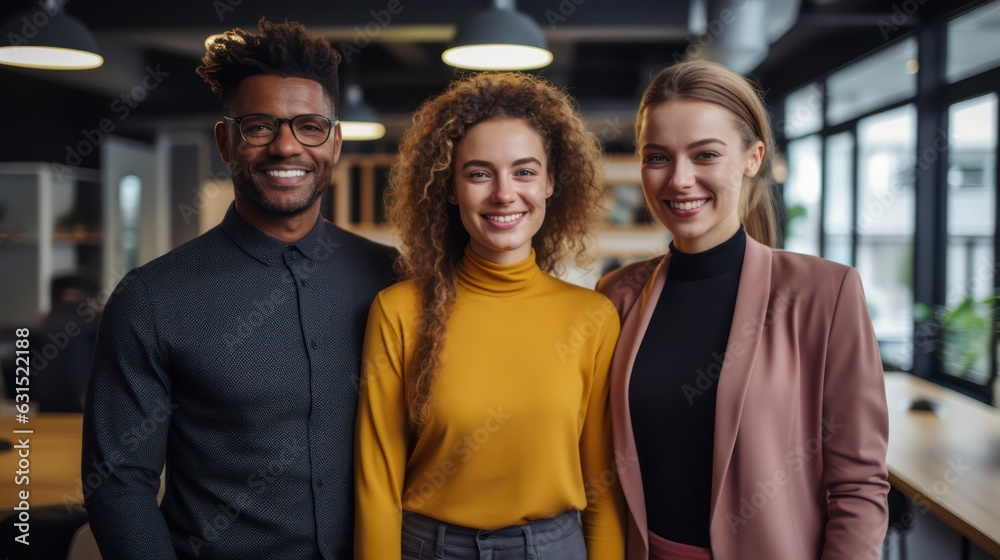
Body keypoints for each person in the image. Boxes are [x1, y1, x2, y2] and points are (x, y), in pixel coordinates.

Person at [82, 19, 396, 559]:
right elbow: (118, 486)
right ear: (226, 141)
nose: (285, 146)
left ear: (335, 142)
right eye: (258, 127)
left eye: (310, 127)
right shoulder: (152, 298)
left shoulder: (391, 278)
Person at [596, 60, 889, 560]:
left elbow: (858, 484)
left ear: (753, 158)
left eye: (705, 154)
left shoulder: (826, 293)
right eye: (658, 157)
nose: (680, 179)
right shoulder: (617, 296)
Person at [354, 72, 626, 559]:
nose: (504, 194)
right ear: (451, 187)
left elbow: (604, 485)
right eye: (479, 173)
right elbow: (377, 486)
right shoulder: (398, 312)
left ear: (549, 183)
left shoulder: (594, 318)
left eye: (524, 172)